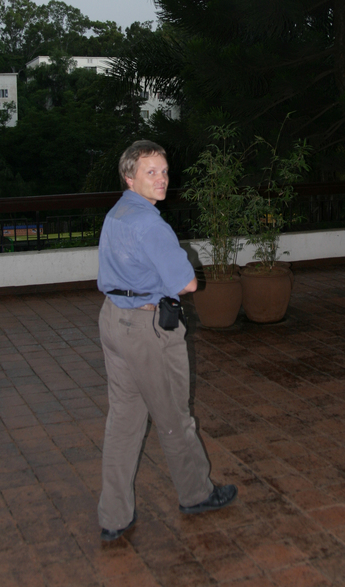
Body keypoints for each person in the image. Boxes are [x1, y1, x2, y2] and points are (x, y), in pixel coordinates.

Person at [96, 140, 237, 541]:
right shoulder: (150, 224)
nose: (161, 179)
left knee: (123, 421)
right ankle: (196, 494)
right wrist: (181, 257)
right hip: (148, 330)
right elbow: (187, 283)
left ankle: (113, 516)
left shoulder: (117, 214)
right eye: (151, 172)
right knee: (174, 417)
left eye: (164, 171)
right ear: (130, 178)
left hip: (113, 319)